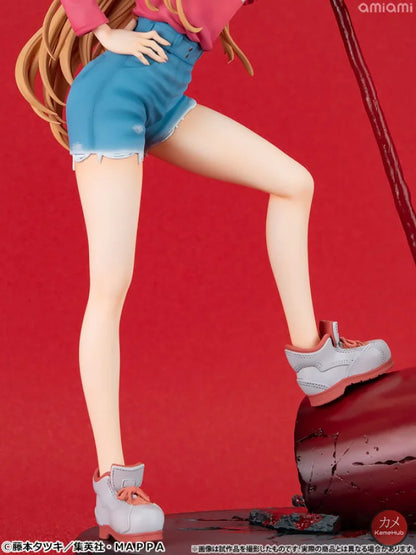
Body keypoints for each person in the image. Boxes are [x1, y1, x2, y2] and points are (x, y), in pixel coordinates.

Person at [15, 0, 393, 543]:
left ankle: (316, 360)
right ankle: (114, 484)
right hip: (112, 97)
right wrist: (99, 31)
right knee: (111, 284)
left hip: (165, 98)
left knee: (294, 183)